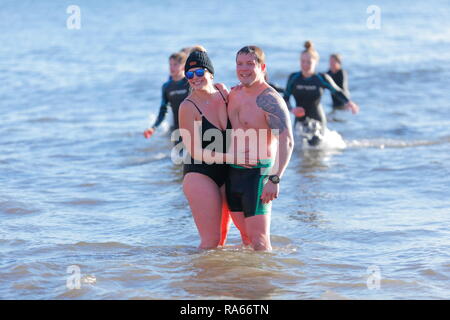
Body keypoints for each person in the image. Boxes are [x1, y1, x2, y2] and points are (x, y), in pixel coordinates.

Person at [178, 46, 249, 249]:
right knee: (211, 241)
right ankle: (194, 279)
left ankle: (218, 281)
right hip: (200, 173)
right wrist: (233, 158)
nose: (195, 77)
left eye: (199, 72)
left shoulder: (223, 91)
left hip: (226, 172)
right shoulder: (188, 106)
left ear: (210, 72)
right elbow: (195, 151)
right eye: (190, 74)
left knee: (228, 238)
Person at [226, 45, 294, 251]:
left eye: (250, 64)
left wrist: (274, 179)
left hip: (258, 175)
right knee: (246, 239)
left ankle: (267, 282)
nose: (243, 69)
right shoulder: (234, 94)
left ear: (262, 67)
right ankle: (247, 282)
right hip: (233, 173)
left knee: (260, 242)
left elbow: (287, 141)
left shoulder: (270, 100)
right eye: (239, 64)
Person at [283, 41, 359, 144]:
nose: (305, 65)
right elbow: (285, 98)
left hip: (317, 120)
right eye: (303, 61)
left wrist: (348, 102)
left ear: (316, 62)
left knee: (316, 149)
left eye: (309, 62)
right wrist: (292, 109)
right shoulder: (294, 78)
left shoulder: (321, 78)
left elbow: (336, 91)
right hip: (299, 121)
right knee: (299, 151)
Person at [143, 51, 190, 139]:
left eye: (175, 64)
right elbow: (163, 110)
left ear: (183, 66)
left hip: (194, 129)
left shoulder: (190, 83)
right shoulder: (167, 87)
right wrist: (153, 128)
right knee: (177, 152)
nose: (171, 68)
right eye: (170, 64)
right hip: (177, 131)